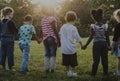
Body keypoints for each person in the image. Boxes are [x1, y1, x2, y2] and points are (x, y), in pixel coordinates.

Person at [82, 9, 110, 76]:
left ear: (94, 18)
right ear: (102, 16)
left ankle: (93, 74)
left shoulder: (93, 26)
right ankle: (105, 73)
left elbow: (91, 37)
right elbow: (107, 36)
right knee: (105, 59)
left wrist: (85, 45)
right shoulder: (105, 26)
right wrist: (109, 45)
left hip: (96, 45)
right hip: (104, 44)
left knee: (96, 60)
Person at [59, 11, 83, 77]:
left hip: (64, 48)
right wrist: (81, 45)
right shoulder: (73, 28)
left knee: (66, 61)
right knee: (73, 62)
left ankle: (68, 72)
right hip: (71, 49)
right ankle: (71, 72)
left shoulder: (63, 27)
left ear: (66, 18)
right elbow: (77, 37)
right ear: (74, 19)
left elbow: (60, 35)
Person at [41, 6, 60, 73]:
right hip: (51, 38)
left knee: (46, 53)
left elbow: (42, 30)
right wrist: (58, 39)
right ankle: (52, 68)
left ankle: (46, 68)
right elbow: (55, 29)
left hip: (45, 39)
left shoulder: (43, 19)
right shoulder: (52, 18)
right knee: (53, 53)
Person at [0, 7, 18, 71]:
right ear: (9, 13)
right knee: (10, 53)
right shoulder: (10, 22)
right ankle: (10, 67)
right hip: (9, 40)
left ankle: (3, 66)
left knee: (3, 53)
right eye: (11, 14)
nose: (12, 15)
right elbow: (16, 31)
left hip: (2, 40)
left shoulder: (0, 22)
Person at [111, 9, 120, 75]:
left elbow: (115, 38)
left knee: (119, 59)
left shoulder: (118, 26)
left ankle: (118, 72)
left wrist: (112, 46)